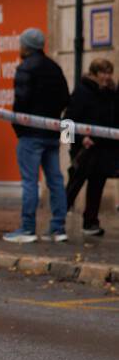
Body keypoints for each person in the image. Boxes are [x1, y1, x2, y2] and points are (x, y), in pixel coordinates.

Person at [4, 28, 70, 244]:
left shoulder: (25, 68)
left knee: (30, 182)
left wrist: (19, 128)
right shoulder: (55, 67)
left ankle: (28, 228)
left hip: (31, 133)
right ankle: (58, 228)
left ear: (26, 46)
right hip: (51, 131)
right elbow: (64, 99)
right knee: (55, 180)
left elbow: (20, 101)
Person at [64, 58, 116, 236]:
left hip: (103, 149)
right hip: (84, 149)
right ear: (94, 74)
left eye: (109, 72)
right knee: (74, 185)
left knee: (97, 186)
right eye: (103, 72)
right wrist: (78, 140)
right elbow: (67, 121)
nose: (107, 77)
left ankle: (90, 222)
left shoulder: (111, 93)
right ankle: (57, 221)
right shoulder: (82, 91)